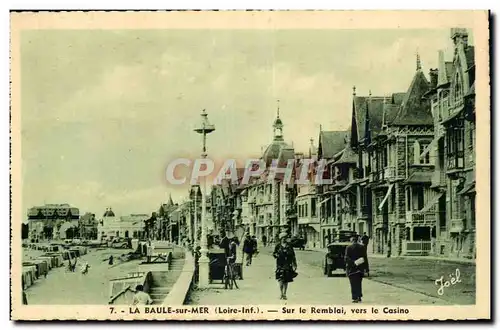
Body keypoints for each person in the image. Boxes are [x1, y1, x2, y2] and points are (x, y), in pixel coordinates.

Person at [345, 234, 369, 303]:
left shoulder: (348, 247)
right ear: (357, 240)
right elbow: (365, 258)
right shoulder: (362, 247)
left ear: (352, 240)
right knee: (359, 283)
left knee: (353, 283)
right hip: (360, 268)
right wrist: (366, 268)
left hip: (351, 268)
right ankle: (359, 296)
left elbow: (346, 258)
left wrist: (353, 263)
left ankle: (355, 297)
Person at [273, 232, 297, 300]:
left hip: (287, 264)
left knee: (286, 280)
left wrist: (294, 264)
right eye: (282, 238)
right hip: (280, 264)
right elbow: (274, 254)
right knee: (280, 280)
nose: (284, 239)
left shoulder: (289, 246)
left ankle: (284, 293)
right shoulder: (278, 246)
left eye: (285, 238)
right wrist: (276, 255)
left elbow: (293, 255)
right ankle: (281, 293)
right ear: (280, 239)